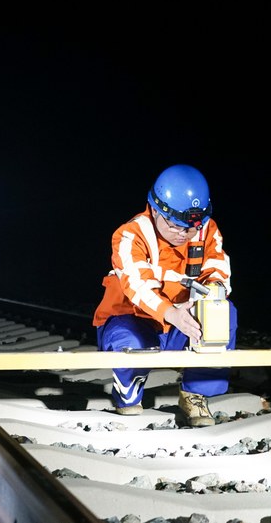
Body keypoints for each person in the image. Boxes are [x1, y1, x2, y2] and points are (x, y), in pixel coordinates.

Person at [92, 164, 238, 427]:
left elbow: (218, 268)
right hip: (132, 319)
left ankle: (195, 394)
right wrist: (172, 313)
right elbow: (138, 285)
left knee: (222, 310)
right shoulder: (130, 234)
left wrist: (211, 295)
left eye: (191, 228)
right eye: (175, 226)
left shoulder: (206, 229)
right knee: (130, 341)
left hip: (182, 320)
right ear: (156, 210)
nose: (183, 234)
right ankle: (128, 392)